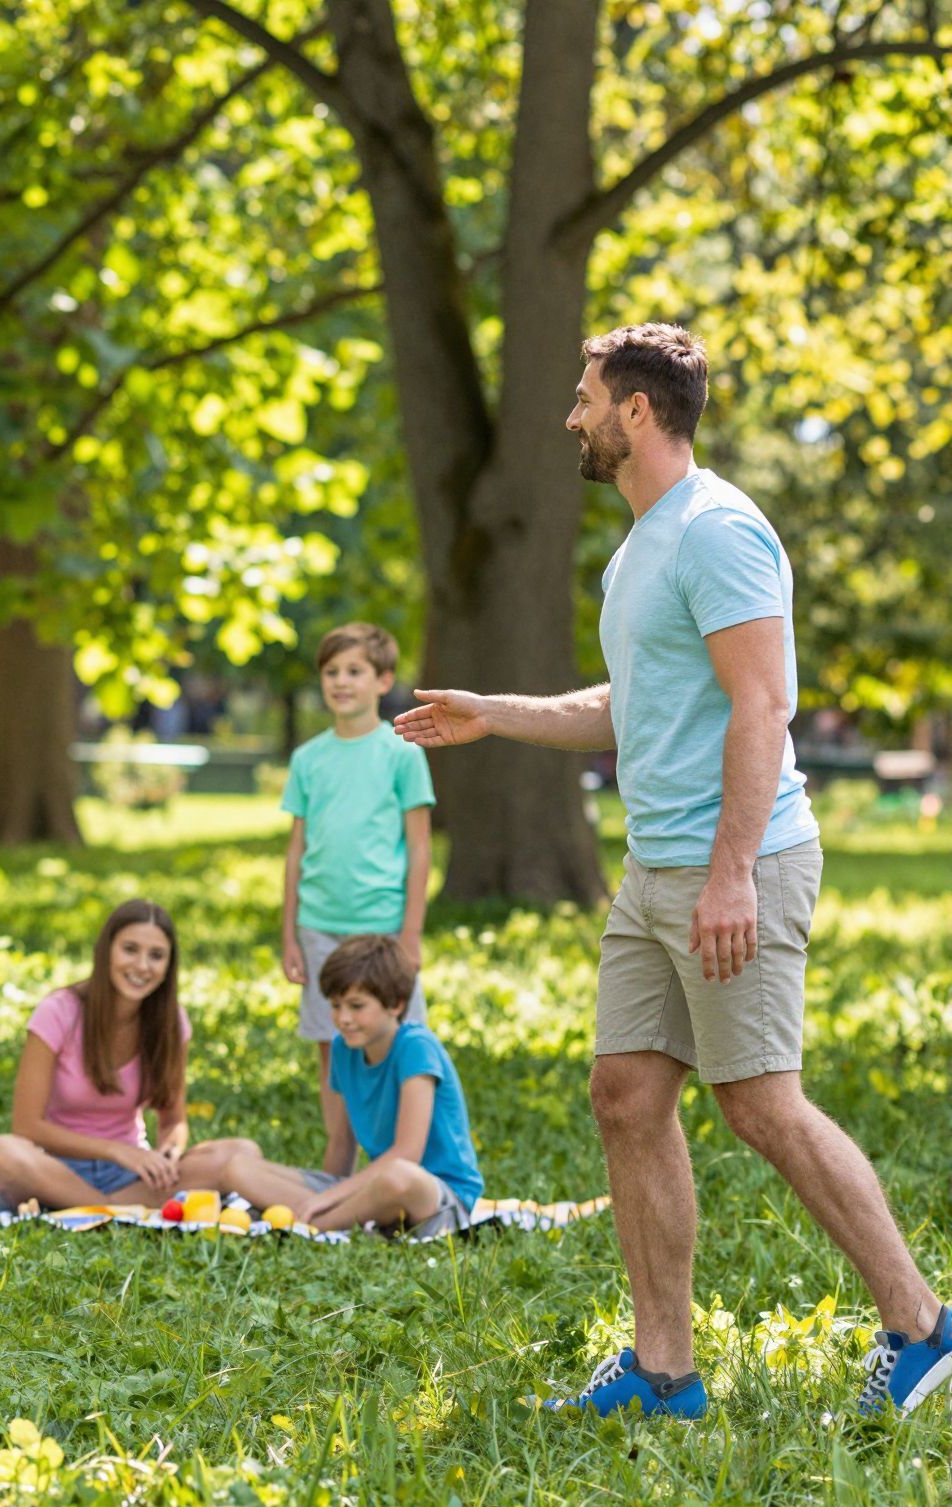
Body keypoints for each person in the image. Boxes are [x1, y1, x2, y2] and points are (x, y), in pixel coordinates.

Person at [397, 322, 950, 1419]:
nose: (572, 415)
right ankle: (662, 1371)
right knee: (625, 1095)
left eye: (585, 396)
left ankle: (923, 1326)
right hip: (653, 871)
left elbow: (762, 701)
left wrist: (730, 874)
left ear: (636, 411)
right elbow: (628, 705)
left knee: (760, 1105)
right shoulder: (640, 546)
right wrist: (493, 714)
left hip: (733, 864)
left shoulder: (716, 531)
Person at [0, 900, 261, 1210]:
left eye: (156, 955)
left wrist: (170, 1151)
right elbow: (27, 1127)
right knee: (2, 1152)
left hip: (132, 1176)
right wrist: (116, 1151)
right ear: (106, 951)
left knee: (242, 1153)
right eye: (130, 949)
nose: (142, 966)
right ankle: (115, 1210)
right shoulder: (59, 1011)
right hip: (57, 1171)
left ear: (168, 965)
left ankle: (98, 1209)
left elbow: (173, 1120)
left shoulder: (172, 1022)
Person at [280, 623, 434, 1155]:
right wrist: (289, 935)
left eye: (354, 671)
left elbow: (419, 848)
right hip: (319, 927)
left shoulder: (402, 754)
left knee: (401, 1043)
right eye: (331, 672)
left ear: (383, 680)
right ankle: (338, 1160)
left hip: (384, 929)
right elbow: (296, 851)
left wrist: (410, 933)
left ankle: (404, 1160)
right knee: (332, 1045)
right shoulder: (307, 759)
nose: (341, 682)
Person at [224, 937, 480, 1237]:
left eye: (357, 1006)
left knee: (398, 1177)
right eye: (336, 1006)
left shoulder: (416, 1047)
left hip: (436, 1195)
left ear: (396, 1004)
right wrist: (330, 1192)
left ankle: (316, 1225)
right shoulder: (343, 1049)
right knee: (238, 1168)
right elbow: (342, 1142)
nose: (343, 1018)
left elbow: (407, 1152)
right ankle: (333, 1215)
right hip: (374, 1188)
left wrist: (329, 1198)